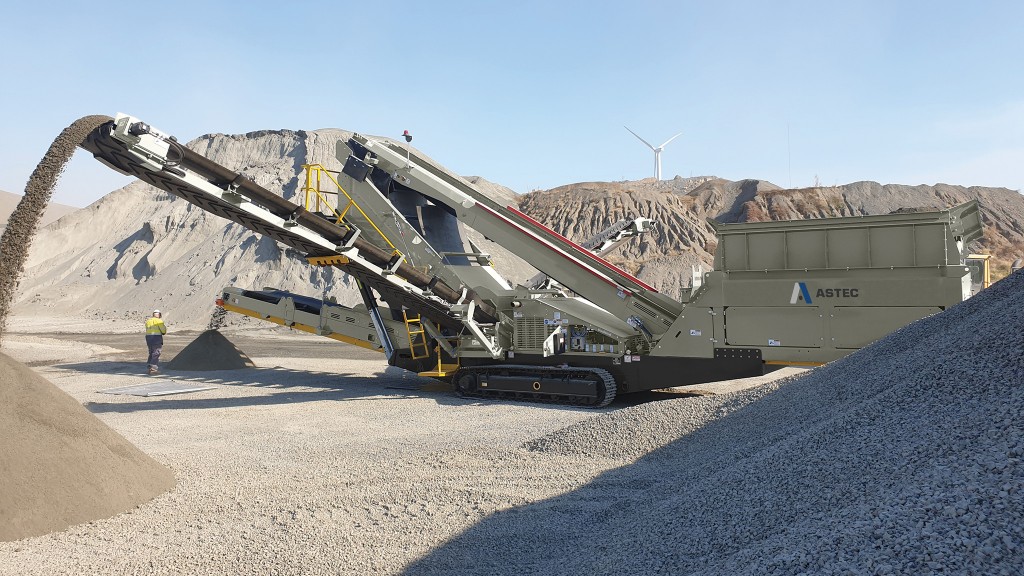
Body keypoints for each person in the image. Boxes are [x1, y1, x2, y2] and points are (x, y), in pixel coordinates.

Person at [145, 310, 167, 374]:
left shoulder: (148, 321)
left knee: (151, 352)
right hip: (156, 338)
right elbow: (163, 331)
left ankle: (149, 368)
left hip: (148, 338)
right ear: (159, 315)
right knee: (156, 352)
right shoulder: (159, 321)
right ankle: (153, 369)